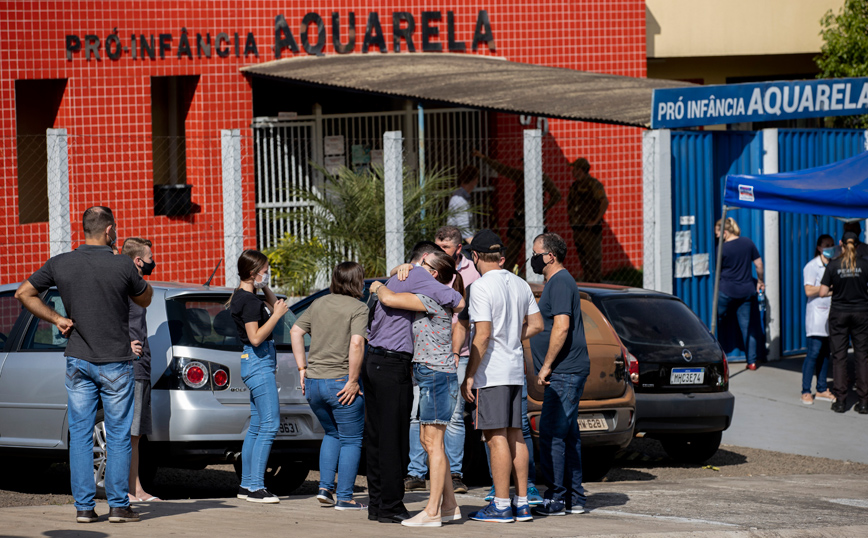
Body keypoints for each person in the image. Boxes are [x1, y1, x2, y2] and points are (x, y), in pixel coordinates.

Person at [15, 206, 152, 524]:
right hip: (116, 362)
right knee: (117, 435)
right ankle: (118, 507)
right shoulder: (122, 264)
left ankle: (84, 509)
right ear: (110, 231)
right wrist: (134, 274)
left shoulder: (60, 263)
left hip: (77, 359)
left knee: (79, 435)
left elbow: (24, 293)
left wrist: (58, 318)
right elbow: (144, 299)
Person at [365, 243, 464, 524]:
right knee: (394, 439)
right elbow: (458, 300)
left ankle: (378, 505)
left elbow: (391, 294)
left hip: (376, 361)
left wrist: (381, 284)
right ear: (424, 260)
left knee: (377, 437)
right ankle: (392, 506)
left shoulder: (403, 276)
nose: (432, 276)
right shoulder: (420, 276)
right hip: (395, 365)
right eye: (432, 268)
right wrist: (385, 286)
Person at [461, 229, 543, 524]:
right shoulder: (520, 283)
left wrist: (469, 376)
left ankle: (500, 504)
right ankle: (521, 502)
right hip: (514, 369)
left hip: (491, 372)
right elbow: (536, 324)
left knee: (495, 438)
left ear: (475, 257)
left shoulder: (481, 286)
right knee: (515, 435)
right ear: (501, 256)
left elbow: (481, 335)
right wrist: (511, 336)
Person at [404, 227, 481, 496]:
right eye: (436, 247)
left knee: (454, 417)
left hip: (452, 358)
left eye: (444, 248)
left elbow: (465, 320)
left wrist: (455, 352)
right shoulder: (426, 271)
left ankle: (455, 474)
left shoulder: (470, 274)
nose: (438, 252)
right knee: (418, 416)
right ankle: (416, 472)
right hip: (425, 357)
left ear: (458, 249)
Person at [290, 262, 368, 511]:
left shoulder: (319, 303)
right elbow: (357, 344)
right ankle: (345, 497)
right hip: (341, 383)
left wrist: (302, 369)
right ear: (357, 281)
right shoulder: (359, 308)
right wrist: (353, 380)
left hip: (314, 383)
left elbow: (294, 331)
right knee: (352, 440)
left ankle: (325, 488)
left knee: (332, 434)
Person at [529, 233, 589, 516]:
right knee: (567, 436)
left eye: (536, 253)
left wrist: (546, 366)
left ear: (550, 256)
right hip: (565, 372)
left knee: (552, 434)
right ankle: (573, 498)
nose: (533, 258)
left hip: (564, 372)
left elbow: (561, 327)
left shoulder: (561, 282)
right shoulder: (557, 282)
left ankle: (556, 498)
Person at [228, 250, 289, 503]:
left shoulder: (246, 296)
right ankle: (256, 487)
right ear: (253, 272)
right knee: (270, 424)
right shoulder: (250, 302)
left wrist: (265, 289)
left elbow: (275, 304)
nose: (268, 272)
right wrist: (275, 316)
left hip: (254, 362)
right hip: (258, 362)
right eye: (265, 269)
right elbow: (255, 337)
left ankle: (246, 485)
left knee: (256, 426)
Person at [473, 150, 562, 273]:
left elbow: (557, 195)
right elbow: (502, 168)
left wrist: (543, 209)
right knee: (511, 252)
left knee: (539, 251)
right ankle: (507, 274)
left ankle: (540, 274)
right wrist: (484, 157)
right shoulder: (520, 175)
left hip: (535, 219)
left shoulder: (542, 178)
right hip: (520, 219)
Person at [120, 237, 161, 503]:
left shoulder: (138, 287)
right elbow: (107, 319)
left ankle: (136, 489)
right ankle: (124, 490)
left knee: (136, 435)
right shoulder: (122, 286)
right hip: (130, 367)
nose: (152, 262)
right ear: (138, 260)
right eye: (148, 257)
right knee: (126, 432)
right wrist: (125, 345)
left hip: (142, 367)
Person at [819, 231, 868, 414]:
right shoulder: (865, 263)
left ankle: (840, 401)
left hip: (839, 313)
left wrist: (836, 290)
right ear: (857, 245)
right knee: (862, 356)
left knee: (839, 357)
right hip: (862, 313)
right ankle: (864, 402)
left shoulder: (833, 265)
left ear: (841, 244)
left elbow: (822, 292)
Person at [715, 217, 764, 370]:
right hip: (746, 292)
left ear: (724, 232)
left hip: (726, 291)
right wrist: (760, 281)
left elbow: (717, 271)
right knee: (747, 327)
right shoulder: (747, 242)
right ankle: (752, 362)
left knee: (715, 322)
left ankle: (714, 357)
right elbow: (759, 264)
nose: (716, 237)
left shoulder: (722, 248)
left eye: (717, 233)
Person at [801, 234, 836, 405]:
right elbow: (808, 291)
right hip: (816, 316)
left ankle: (821, 388)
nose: (830, 248)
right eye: (826, 245)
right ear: (819, 247)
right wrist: (828, 289)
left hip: (830, 316)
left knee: (825, 354)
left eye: (832, 245)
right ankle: (806, 390)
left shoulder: (834, 265)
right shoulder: (812, 266)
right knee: (813, 353)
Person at [567, 158, 609, 283]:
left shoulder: (593, 184)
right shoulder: (575, 186)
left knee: (593, 262)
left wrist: (595, 221)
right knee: (584, 262)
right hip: (578, 229)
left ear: (580, 170)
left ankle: (595, 286)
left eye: (574, 169)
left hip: (590, 231)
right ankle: (588, 284)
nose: (572, 172)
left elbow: (604, 202)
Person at [447, 166, 479, 243]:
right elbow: (464, 230)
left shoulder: (463, 197)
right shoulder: (460, 199)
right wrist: (479, 250)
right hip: (459, 244)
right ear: (475, 180)